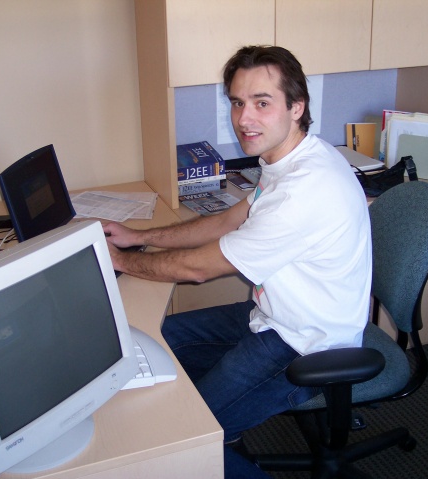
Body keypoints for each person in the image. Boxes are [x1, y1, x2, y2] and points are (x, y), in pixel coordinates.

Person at [104, 45, 372, 478]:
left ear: (297, 107)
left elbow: (197, 269)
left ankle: (209, 444)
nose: (244, 119)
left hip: (304, 345)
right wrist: (139, 237)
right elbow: (230, 219)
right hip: (271, 316)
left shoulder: (304, 190)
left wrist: (119, 261)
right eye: (237, 102)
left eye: (262, 103)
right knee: (155, 342)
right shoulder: (289, 159)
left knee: (184, 439)